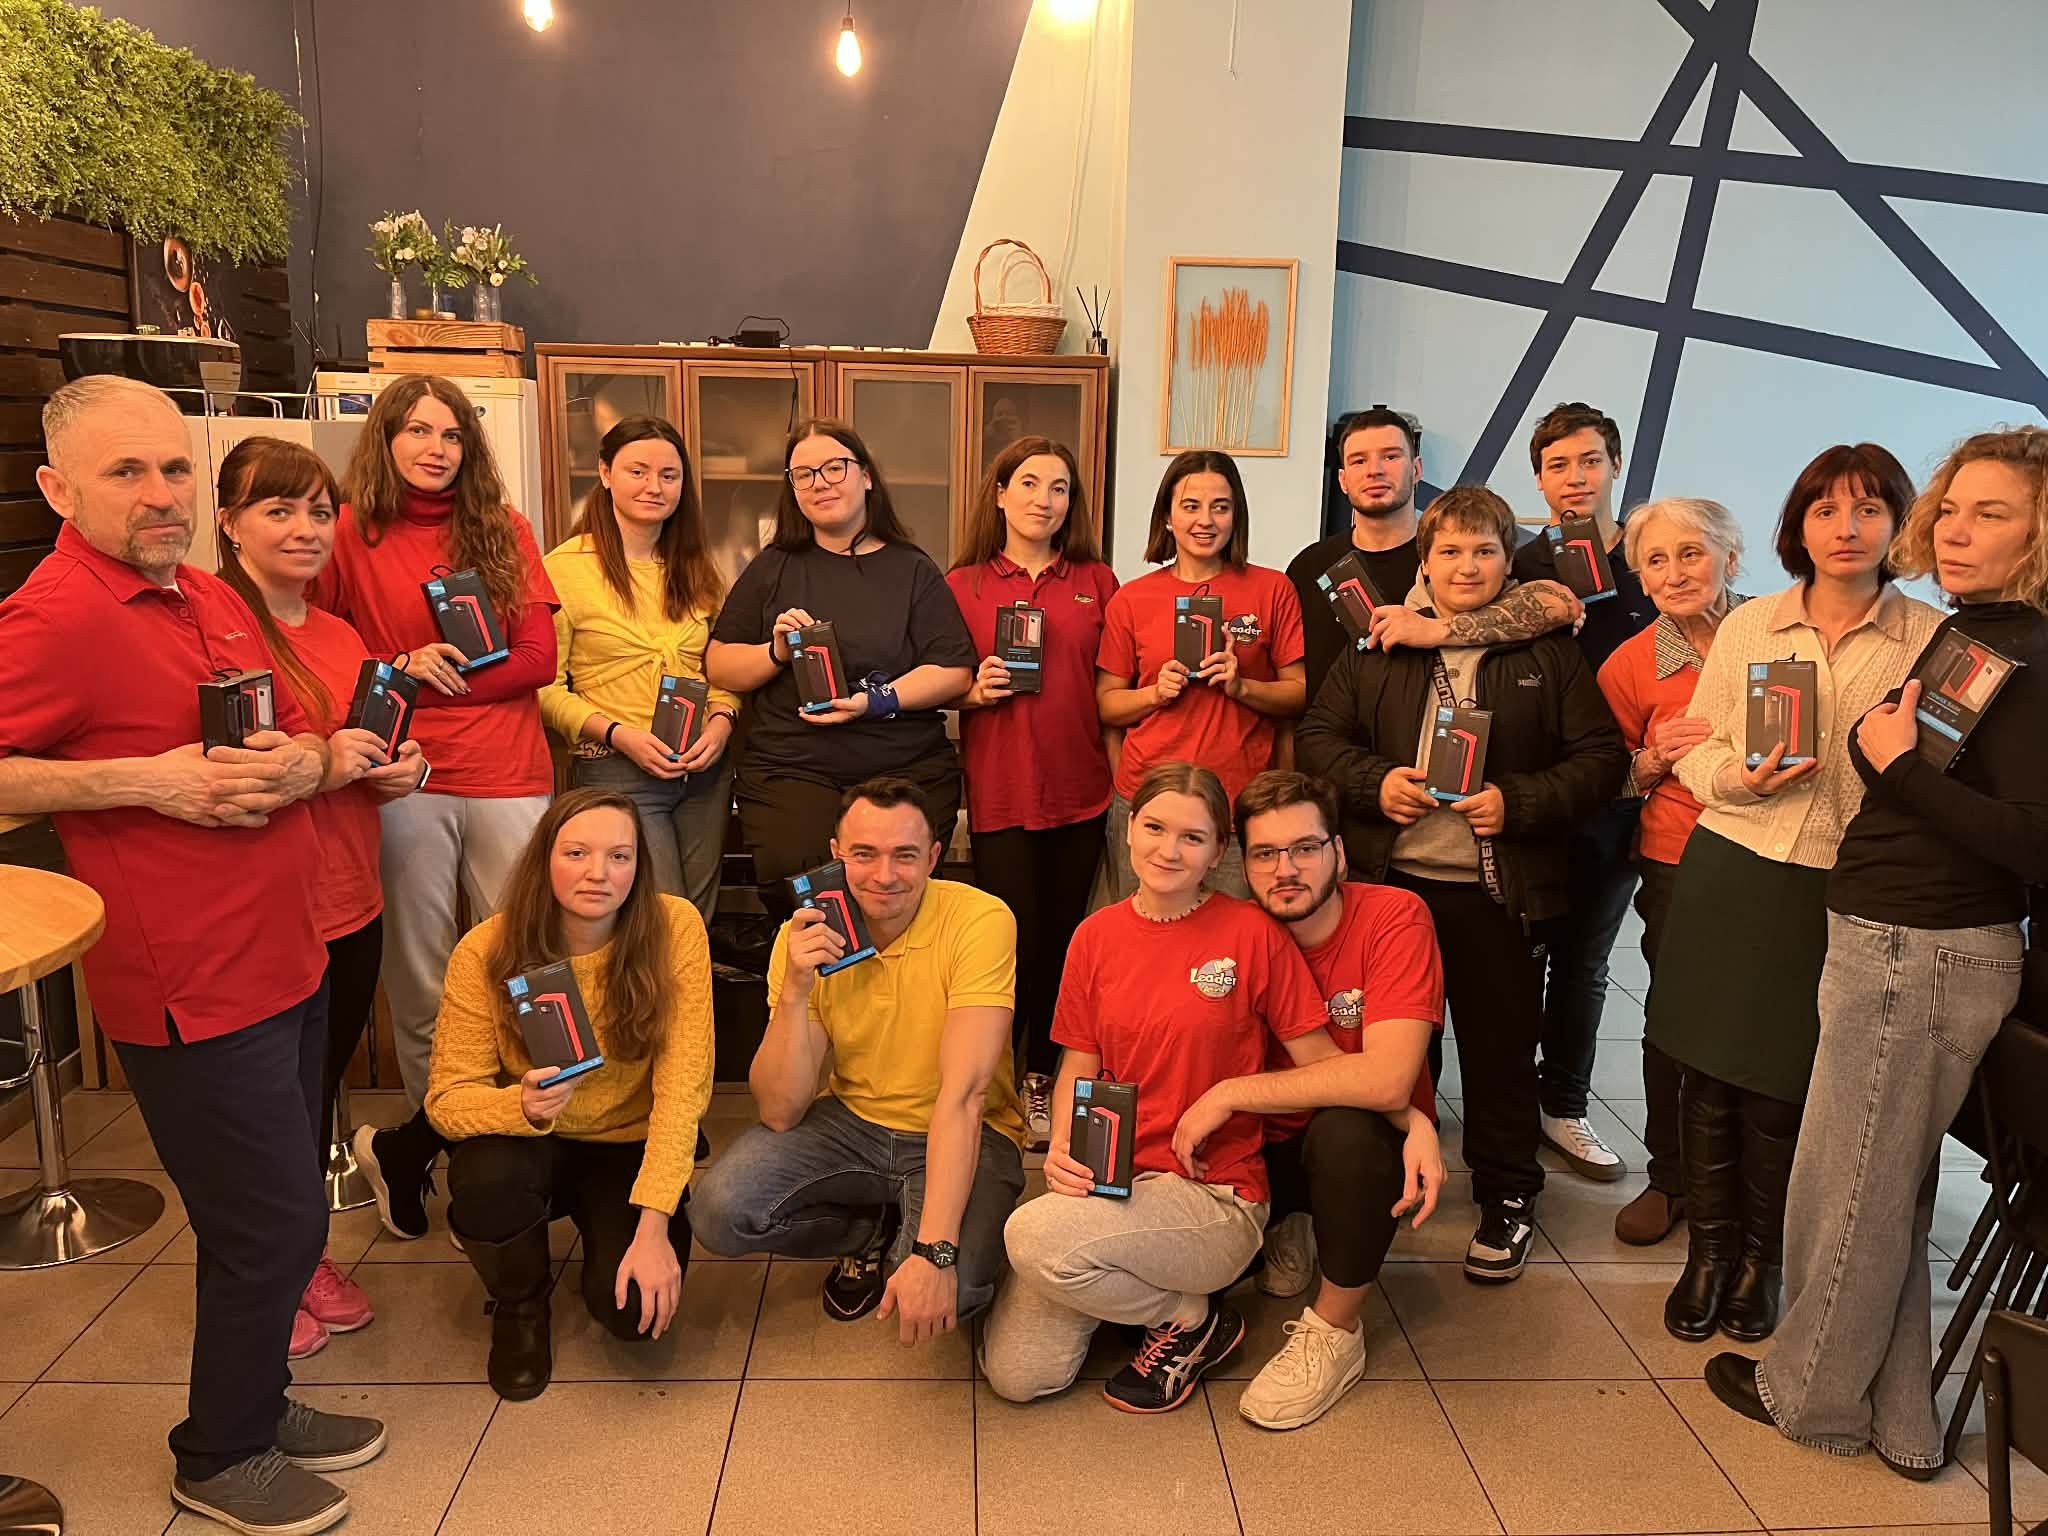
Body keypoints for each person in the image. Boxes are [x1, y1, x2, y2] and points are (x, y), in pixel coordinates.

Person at [0, 377, 384, 1535]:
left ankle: (252, 1405)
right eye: (126, 472)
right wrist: (137, 781)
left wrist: (304, 763)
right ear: (58, 488)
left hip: (286, 955)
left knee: (273, 1218)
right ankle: (219, 1457)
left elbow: (279, 737)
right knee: (269, 1224)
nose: (160, 493)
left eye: (174, 467)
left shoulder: (207, 593)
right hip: (192, 986)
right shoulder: (57, 615)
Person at [1707, 428, 2048, 1478]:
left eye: (1990, 513)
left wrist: (1893, 768)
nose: (1955, 530)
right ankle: (1897, 1414)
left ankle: (1808, 1395)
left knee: (1845, 1187)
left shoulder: (2029, 657)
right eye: (1952, 508)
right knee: (1883, 1182)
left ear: (2039, 532)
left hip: (1922, 948)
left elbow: (2032, 841)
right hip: (1896, 936)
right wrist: (1888, 762)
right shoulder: (1976, 633)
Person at [1645, 444, 1941, 1346]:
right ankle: (1707, 1253)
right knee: (1706, 1073)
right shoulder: (1751, 627)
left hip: (1840, 883)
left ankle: (1760, 1262)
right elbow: (1695, 748)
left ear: (1899, 525)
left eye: (1868, 509)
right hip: (1732, 864)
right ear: (1797, 528)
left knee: (1785, 1085)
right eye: (1825, 510)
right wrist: (1741, 779)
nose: (1846, 528)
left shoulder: (1928, 639)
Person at [1298, 486, 1626, 1284]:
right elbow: (1318, 737)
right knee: (1393, 1052)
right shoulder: (1378, 642)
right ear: (1425, 560)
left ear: (1509, 561)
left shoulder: (1545, 650)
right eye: (1449, 551)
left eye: (1484, 551)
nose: (1467, 566)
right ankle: (1383, 1181)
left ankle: (1508, 1194)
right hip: (1392, 891)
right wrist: (1375, 784)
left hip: (1497, 892)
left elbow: (1601, 759)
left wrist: (1519, 801)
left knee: (1499, 1053)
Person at [980, 763, 1342, 1413]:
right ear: (1128, 830)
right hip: (1109, 1179)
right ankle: (1165, 1303)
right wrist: (1063, 1144)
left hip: (1213, 1193)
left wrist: (1230, 1096)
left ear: (1219, 851)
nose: (1168, 850)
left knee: (1031, 1238)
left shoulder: (1251, 933)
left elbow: (1323, 1068)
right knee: (1018, 1375)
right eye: (1153, 828)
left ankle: (1184, 1315)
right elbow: (1079, 1061)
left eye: (1192, 837)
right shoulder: (1094, 937)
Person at [318, 374, 562, 1243]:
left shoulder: (505, 528)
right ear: (385, 438)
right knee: (422, 977)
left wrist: (432, 683)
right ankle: (442, 1149)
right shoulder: (347, 532)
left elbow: (538, 658)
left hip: (509, 772)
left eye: (452, 434)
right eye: (418, 431)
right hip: (400, 775)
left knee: (527, 966)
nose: (436, 448)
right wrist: (399, 666)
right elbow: (322, 653)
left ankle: (519, 1146)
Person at [215, 437, 432, 1358]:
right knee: (265, 1117)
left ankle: (303, 1261)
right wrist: (326, 762)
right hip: (266, 908)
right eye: (279, 510)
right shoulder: (212, 627)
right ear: (229, 524)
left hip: (352, 899)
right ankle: (267, 1281)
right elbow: (222, 772)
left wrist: (403, 770)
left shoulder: (339, 635)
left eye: (317, 511)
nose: (306, 529)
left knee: (312, 1097)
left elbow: (367, 752)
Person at [689, 777, 1026, 1337]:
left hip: (967, 1127)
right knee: (718, 1212)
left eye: (905, 856)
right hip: (852, 1123)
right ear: (836, 854)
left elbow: (965, 1095)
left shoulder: (980, 919)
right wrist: (795, 989)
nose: (884, 875)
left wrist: (935, 1253)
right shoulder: (805, 933)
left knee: (956, 1289)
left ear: (934, 858)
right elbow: (779, 1111)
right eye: (864, 854)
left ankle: (912, 1234)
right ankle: (865, 1232)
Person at [1166, 769, 1443, 1429]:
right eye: (1265, 853)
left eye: (1305, 848)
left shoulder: (1394, 917)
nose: (1285, 869)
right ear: (1242, 863)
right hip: (1255, 1149)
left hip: (1358, 1137)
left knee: (1348, 1134)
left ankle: (1336, 1331)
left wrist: (1232, 1092)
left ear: (1339, 853)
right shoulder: (1228, 928)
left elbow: (1385, 1080)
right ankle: (1287, 1222)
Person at [425, 788, 714, 1400]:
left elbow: (683, 1089)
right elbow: (446, 1101)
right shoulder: (485, 949)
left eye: (619, 856)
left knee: (633, 1315)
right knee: (485, 1179)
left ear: (639, 866)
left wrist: (654, 1227)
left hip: (627, 1140)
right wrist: (521, 1105)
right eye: (577, 853)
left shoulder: (675, 928)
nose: (597, 873)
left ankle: (606, 1246)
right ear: (544, 859)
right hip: (532, 1139)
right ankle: (521, 1306)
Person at [705, 420, 977, 911]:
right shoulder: (773, 566)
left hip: (903, 764)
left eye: (835, 468)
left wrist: (874, 702)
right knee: (812, 897)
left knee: (892, 891)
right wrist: (775, 652)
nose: (820, 483)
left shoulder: (912, 569)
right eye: (804, 474)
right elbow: (720, 665)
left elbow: (953, 670)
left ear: (866, 476)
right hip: (793, 767)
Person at [946, 436, 1119, 1150]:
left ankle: (1043, 1077)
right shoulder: (963, 585)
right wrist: (971, 690)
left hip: (1083, 792)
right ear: (999, 494)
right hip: (1002, 793)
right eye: (1028, 483)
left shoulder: (1098, 582)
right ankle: (993, 1082)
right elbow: (936, 680)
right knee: (1008, 942)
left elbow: (1114, 686)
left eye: (1059, 488)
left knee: (1065, 946)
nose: (1043, 500)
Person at [1507, 403, 1656, 1185]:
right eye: (1558, 466)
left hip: (1621, 795)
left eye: (1590, 461)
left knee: (1586, 962)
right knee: (1517, 957)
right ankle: (1506, 1102)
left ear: (1614, 466)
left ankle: (1563, 1105)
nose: (1575, 478)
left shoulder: (1651, 558)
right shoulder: (1520, 564)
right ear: (1538, 478)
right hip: (1534, 794)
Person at [1593, 497, 1747, 1245]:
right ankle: (1671, 1177)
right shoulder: (1629, 664)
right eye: (1656, 560)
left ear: (1730, 558)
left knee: (1762, 1019)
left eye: (1691, 553)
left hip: (1778, 856)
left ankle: (1751, 1182)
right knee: (1676, 1017)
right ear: (1642, 578)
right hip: (1678, 856)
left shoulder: (1780, 636)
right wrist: (1654, 758)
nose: (1675, 572)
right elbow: (1604, 775)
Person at [540, 416, 738, 922]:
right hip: (618, 768)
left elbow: (723, 665)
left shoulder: (698, 567)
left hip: (703, 769)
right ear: (605, 473)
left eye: (669, 475)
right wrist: (619, 735)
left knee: (696, 921)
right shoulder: (565, 568)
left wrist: (721, 721)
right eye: (638, 471)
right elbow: (544, 686)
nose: (655, 486)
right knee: (658, 919)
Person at [1096, 451, 1306, 902]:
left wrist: (1241, 686)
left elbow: (1298, 695)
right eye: (1190, 506)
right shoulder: (1132, 599)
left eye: (1220, 507)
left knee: (1235, 938)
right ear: (1167, 517)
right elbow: (1107, 704)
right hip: (1148, 800)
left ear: (1236, 515)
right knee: (1147, 931)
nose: (1205, 520)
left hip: (1240, 807)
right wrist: (1155, 693)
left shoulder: (1273, 589)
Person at [1285, 406, 1578, 701]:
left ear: (1416, 470)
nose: (1374, 470)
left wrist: (1433, 630)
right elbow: (1290, 677)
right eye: (1359, 460)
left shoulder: (1457, 563)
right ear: (1342, 480)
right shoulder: (1309, 566)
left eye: (1391, 456)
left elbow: (1561, 604)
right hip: (1328, 726)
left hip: (1429, 724)